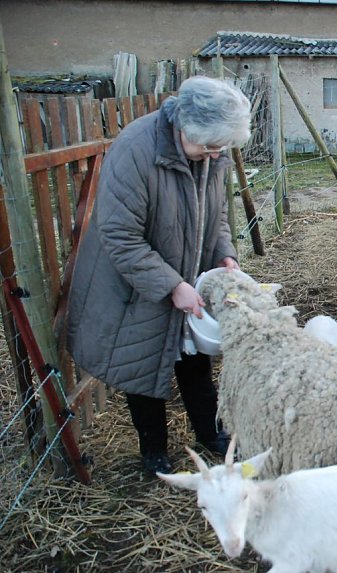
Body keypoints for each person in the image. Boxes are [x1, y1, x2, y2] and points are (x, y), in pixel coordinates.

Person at [65, 75, 252, 474]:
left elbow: (217, 212)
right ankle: (153, 451)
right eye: (209, 146)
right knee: (142, 361)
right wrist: (170, 285)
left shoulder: (210, 152)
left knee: (194, 360)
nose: (216, 154)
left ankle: (209, 432)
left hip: (189, 270)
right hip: (135, 284)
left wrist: (224, 254)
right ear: (185, 127)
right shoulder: (135, 151)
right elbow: (119, 235)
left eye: (221, 147)